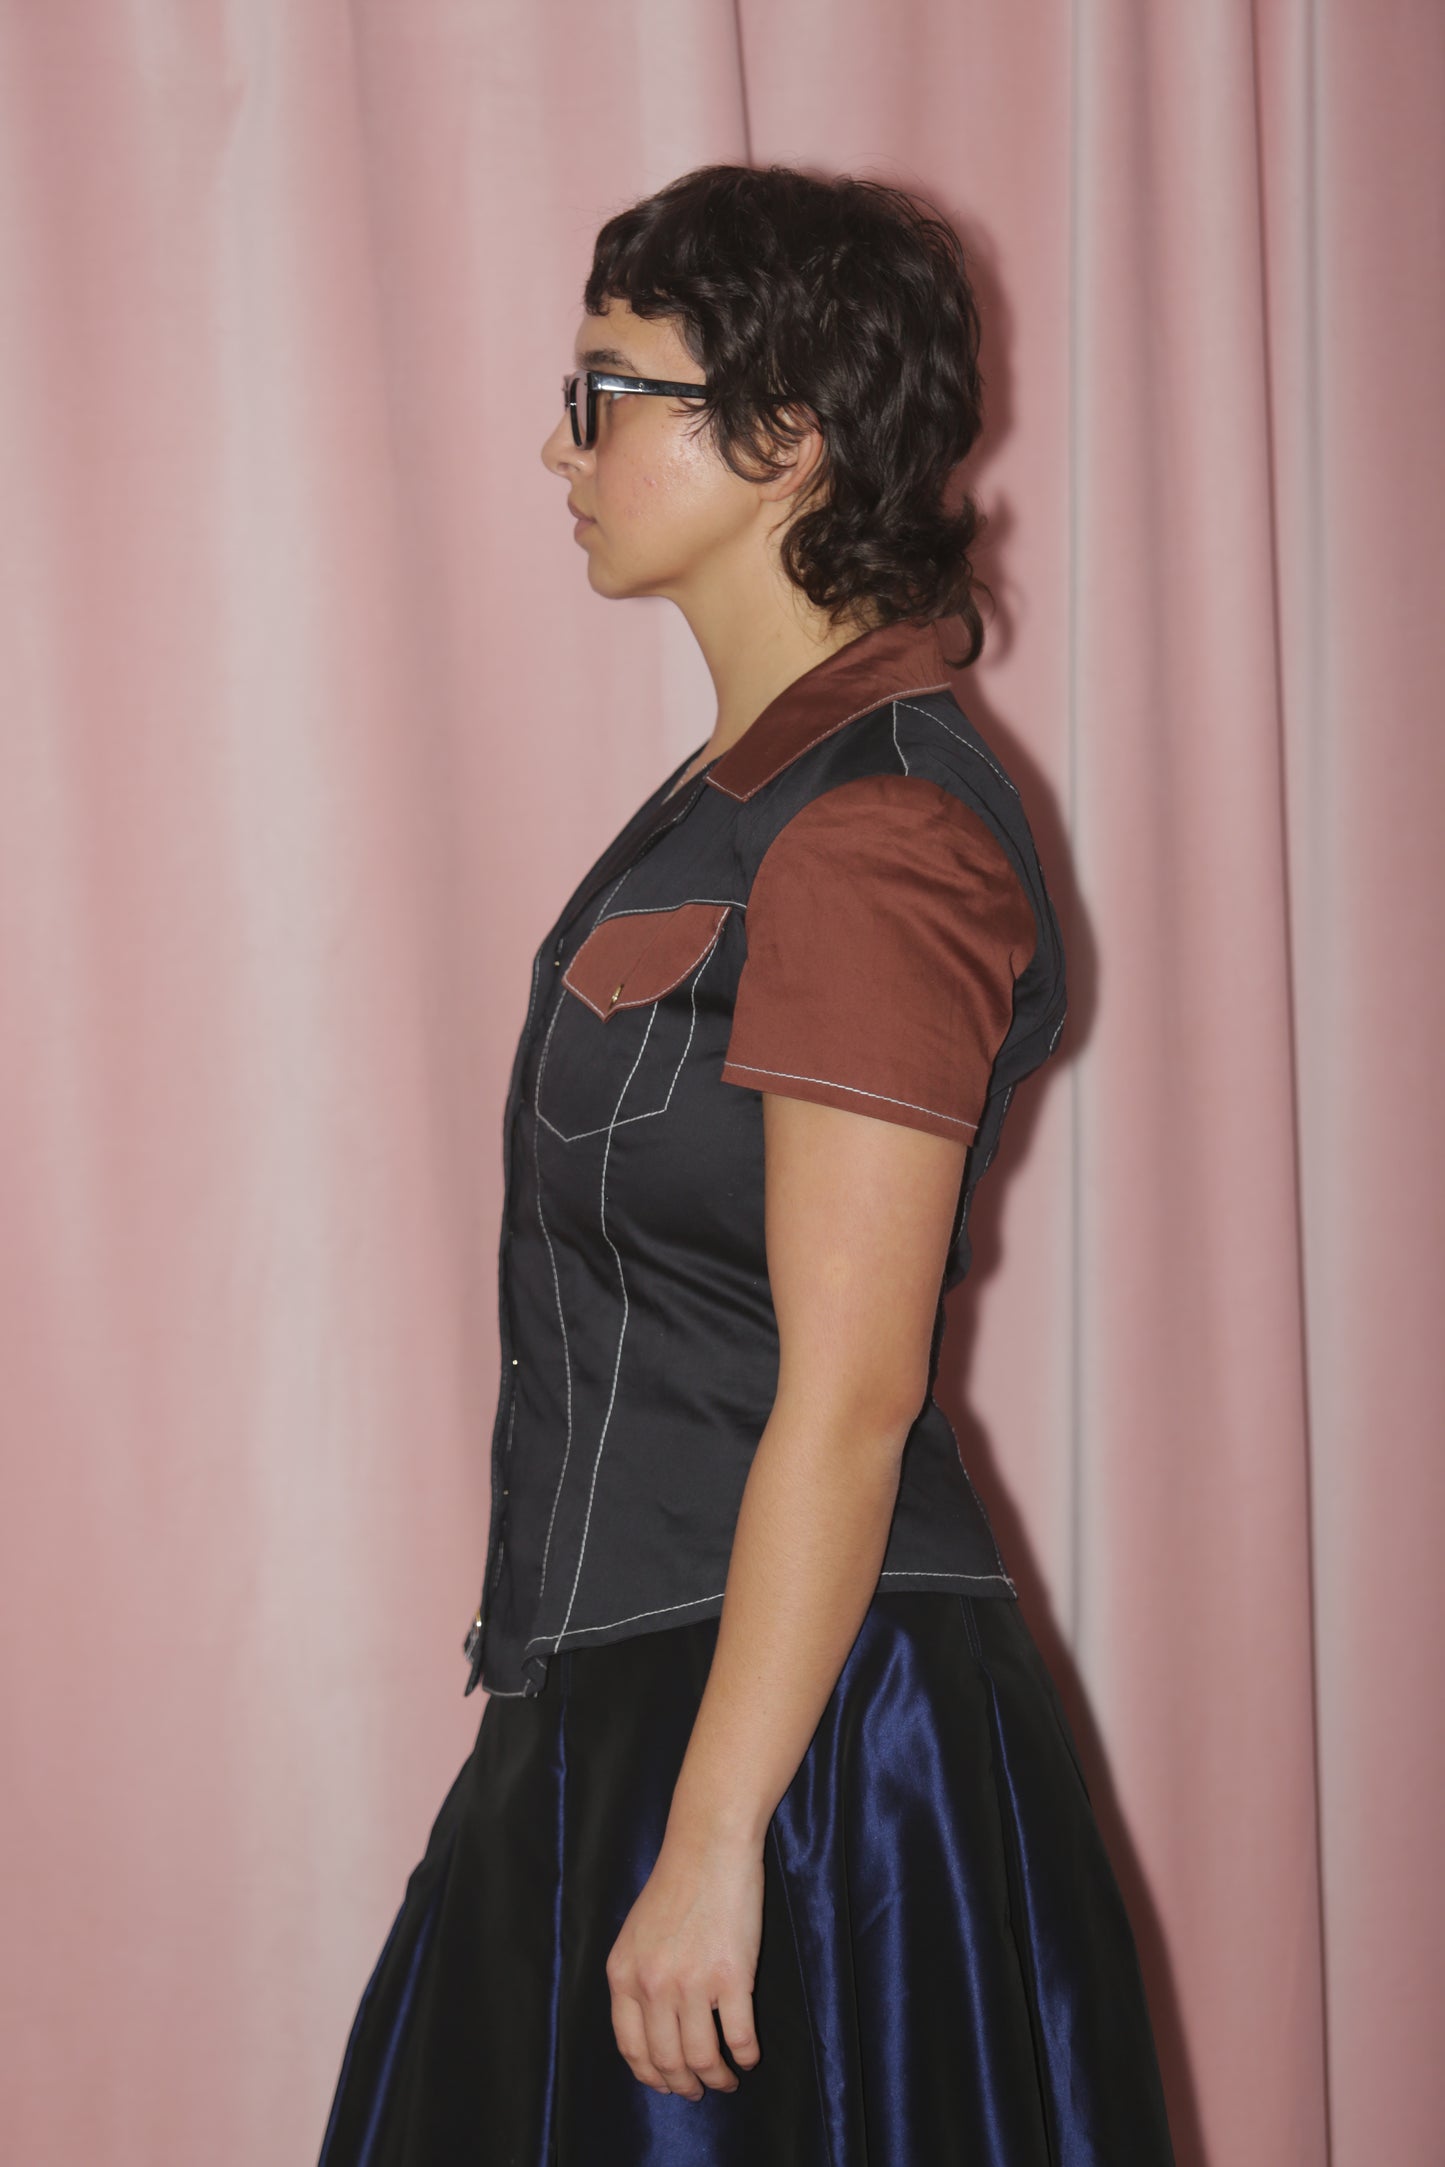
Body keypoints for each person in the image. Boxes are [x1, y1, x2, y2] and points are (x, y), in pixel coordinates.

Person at [317, 162, 1177, 2166]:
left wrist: (717, 1842)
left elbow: (855, 1391)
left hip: (793, 1755)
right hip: (636, 1702)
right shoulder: (748, 802)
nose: (564, 438)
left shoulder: (874, 836)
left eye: (607, 387)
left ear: (780, 434)